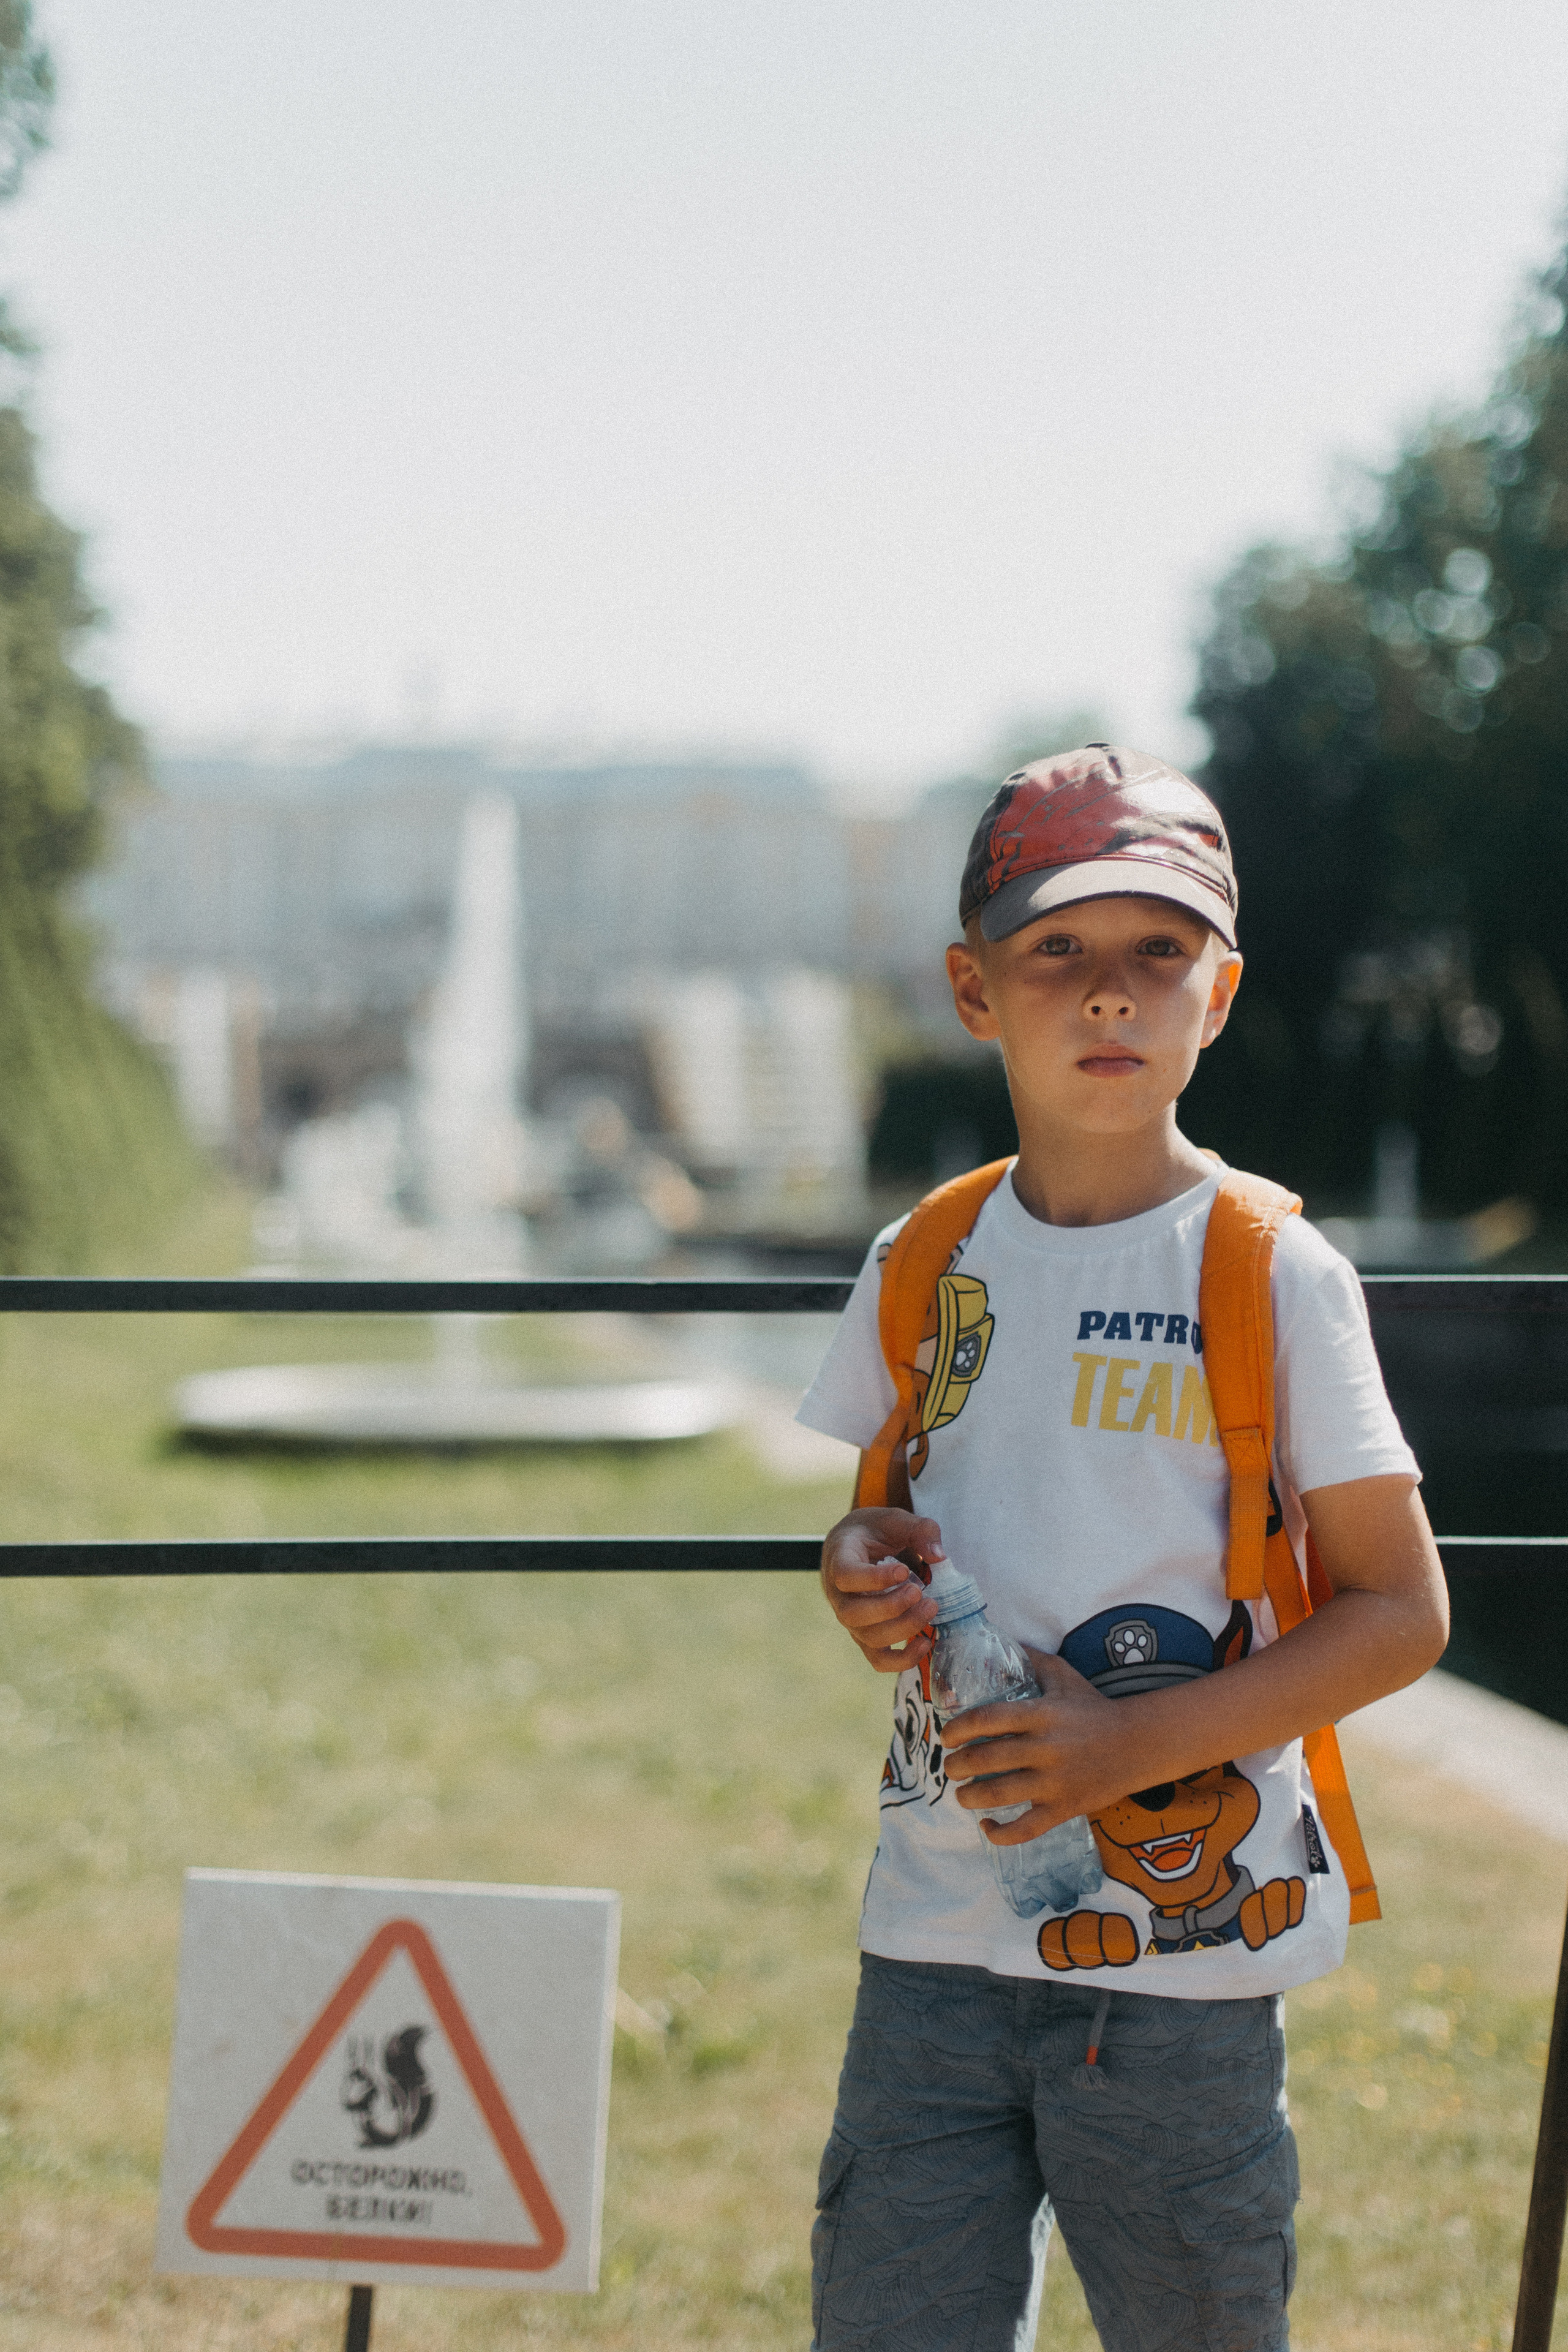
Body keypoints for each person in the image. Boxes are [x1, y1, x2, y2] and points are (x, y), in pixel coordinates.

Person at [796, 744, 1449, 2352]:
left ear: (1216, 995)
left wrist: (1124, 1751)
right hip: (933, 1944)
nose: (1109, 992)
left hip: (1183, 1985)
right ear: (973, 988)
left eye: (1159, 949)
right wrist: (859, 1563)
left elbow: (1401, 1612)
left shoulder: (1273, 1272)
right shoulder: (924, 1255)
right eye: (1057, 950)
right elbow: (891, 1508)